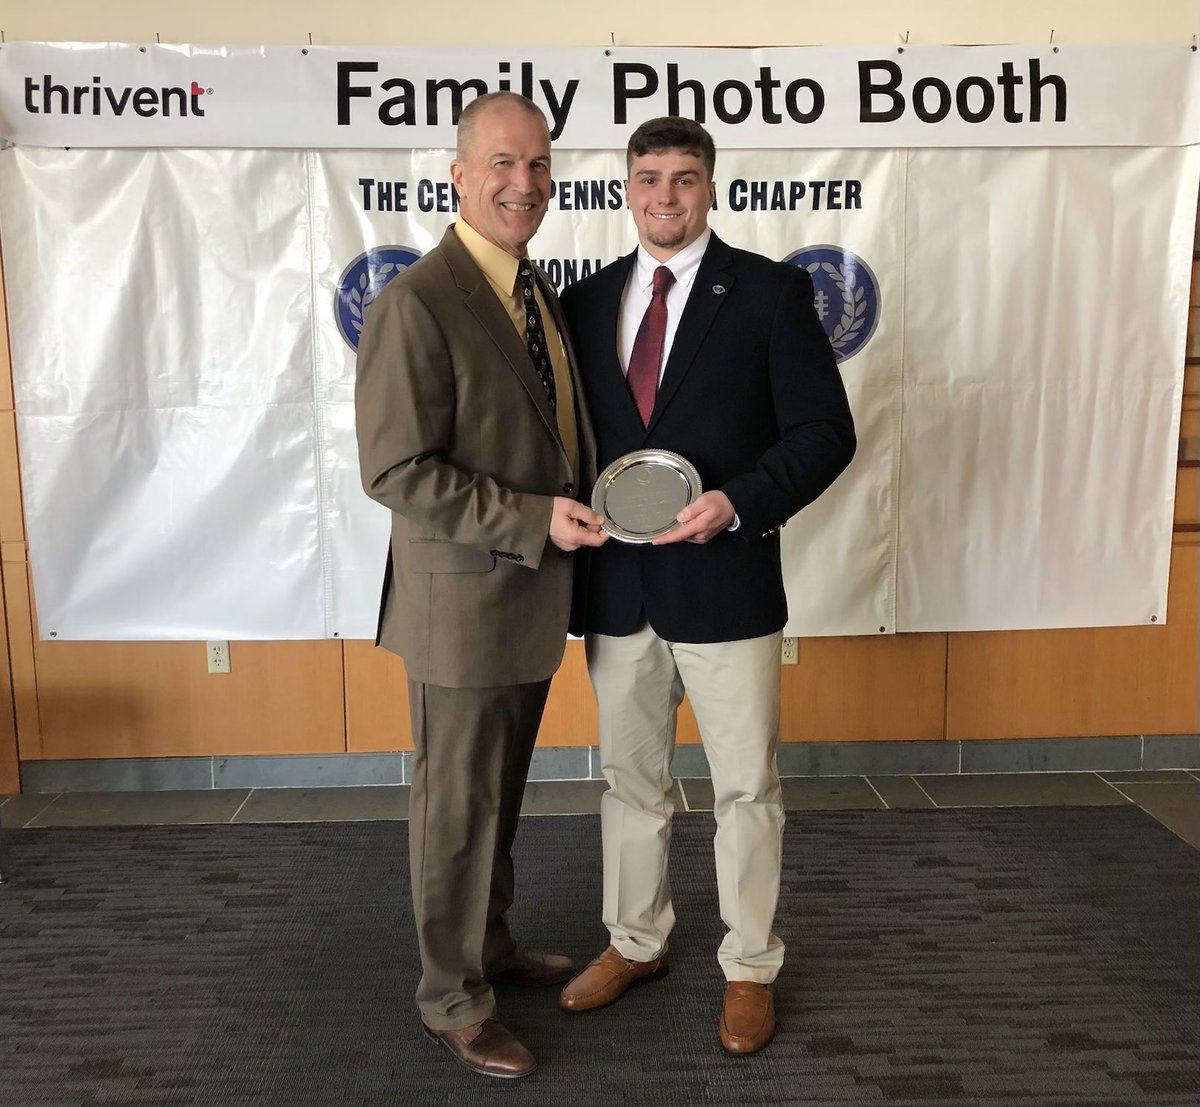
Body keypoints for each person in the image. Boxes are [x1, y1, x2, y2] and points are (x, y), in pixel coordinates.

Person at [557, 116, 856, 1055]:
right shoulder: (586, 301)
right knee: (630, 784)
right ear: (625, 188)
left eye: (685, 178)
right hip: (620, 588)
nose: (665, 196)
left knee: (745, 790)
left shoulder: (770, 294)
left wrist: (739, 500)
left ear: (712, 187)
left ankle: (750, 963)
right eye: (648, 178)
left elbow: (824, 434)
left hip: (726, 585)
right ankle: (635, 940)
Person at [354, 91, 607, 1080]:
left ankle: (489, 947)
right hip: (463, 604)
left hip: (528, 599)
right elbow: (396, 471)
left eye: (539, 165)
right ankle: (450, 994)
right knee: (455, 809)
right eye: (503, 164)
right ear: (458, 175)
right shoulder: (416, 302)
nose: (525, 184)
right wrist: (532, 517)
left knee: (496, 797)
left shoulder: (532, 290)